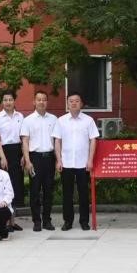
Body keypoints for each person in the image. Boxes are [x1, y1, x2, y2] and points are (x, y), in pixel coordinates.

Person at [52, 91, 99, 231]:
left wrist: (90, 160)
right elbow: (57, 141)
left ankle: (84, 221)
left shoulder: (88, 120)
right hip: (66, 163)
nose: (74, 103)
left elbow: (93, 140)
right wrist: (58, 160)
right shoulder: (61, 121)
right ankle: (68, 221)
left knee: (84, 194)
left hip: (83, 163)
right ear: (67, 104)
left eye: (77, 101)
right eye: (71, 101)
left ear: (81, 103)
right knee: (67, 194)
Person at [21, 90, 58, 232]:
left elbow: (57, 141)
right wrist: (27, 161)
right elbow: (25, 142)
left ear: (47, 102)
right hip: (35, 158)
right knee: (35, 191)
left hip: (49, 158)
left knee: (49, 190)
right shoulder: (28, 120)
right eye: (39, 99)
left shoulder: (53, 119)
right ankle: (36, 220)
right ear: (34, 102)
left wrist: (57, 160)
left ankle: (47, 220)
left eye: (44, 99)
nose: (41, 102)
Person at [0, 90, 27, 230]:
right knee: (4, 187)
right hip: (4, 152)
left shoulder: (20, 116)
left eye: (10, 99)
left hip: (18, 151)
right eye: (5, 100)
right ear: (2, 102)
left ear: (14, 101)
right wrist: (2, 157)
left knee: (15, 186)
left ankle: (12, 221)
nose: (8, 102)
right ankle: (5, 222)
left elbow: (24, 137)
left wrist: (24, 155)